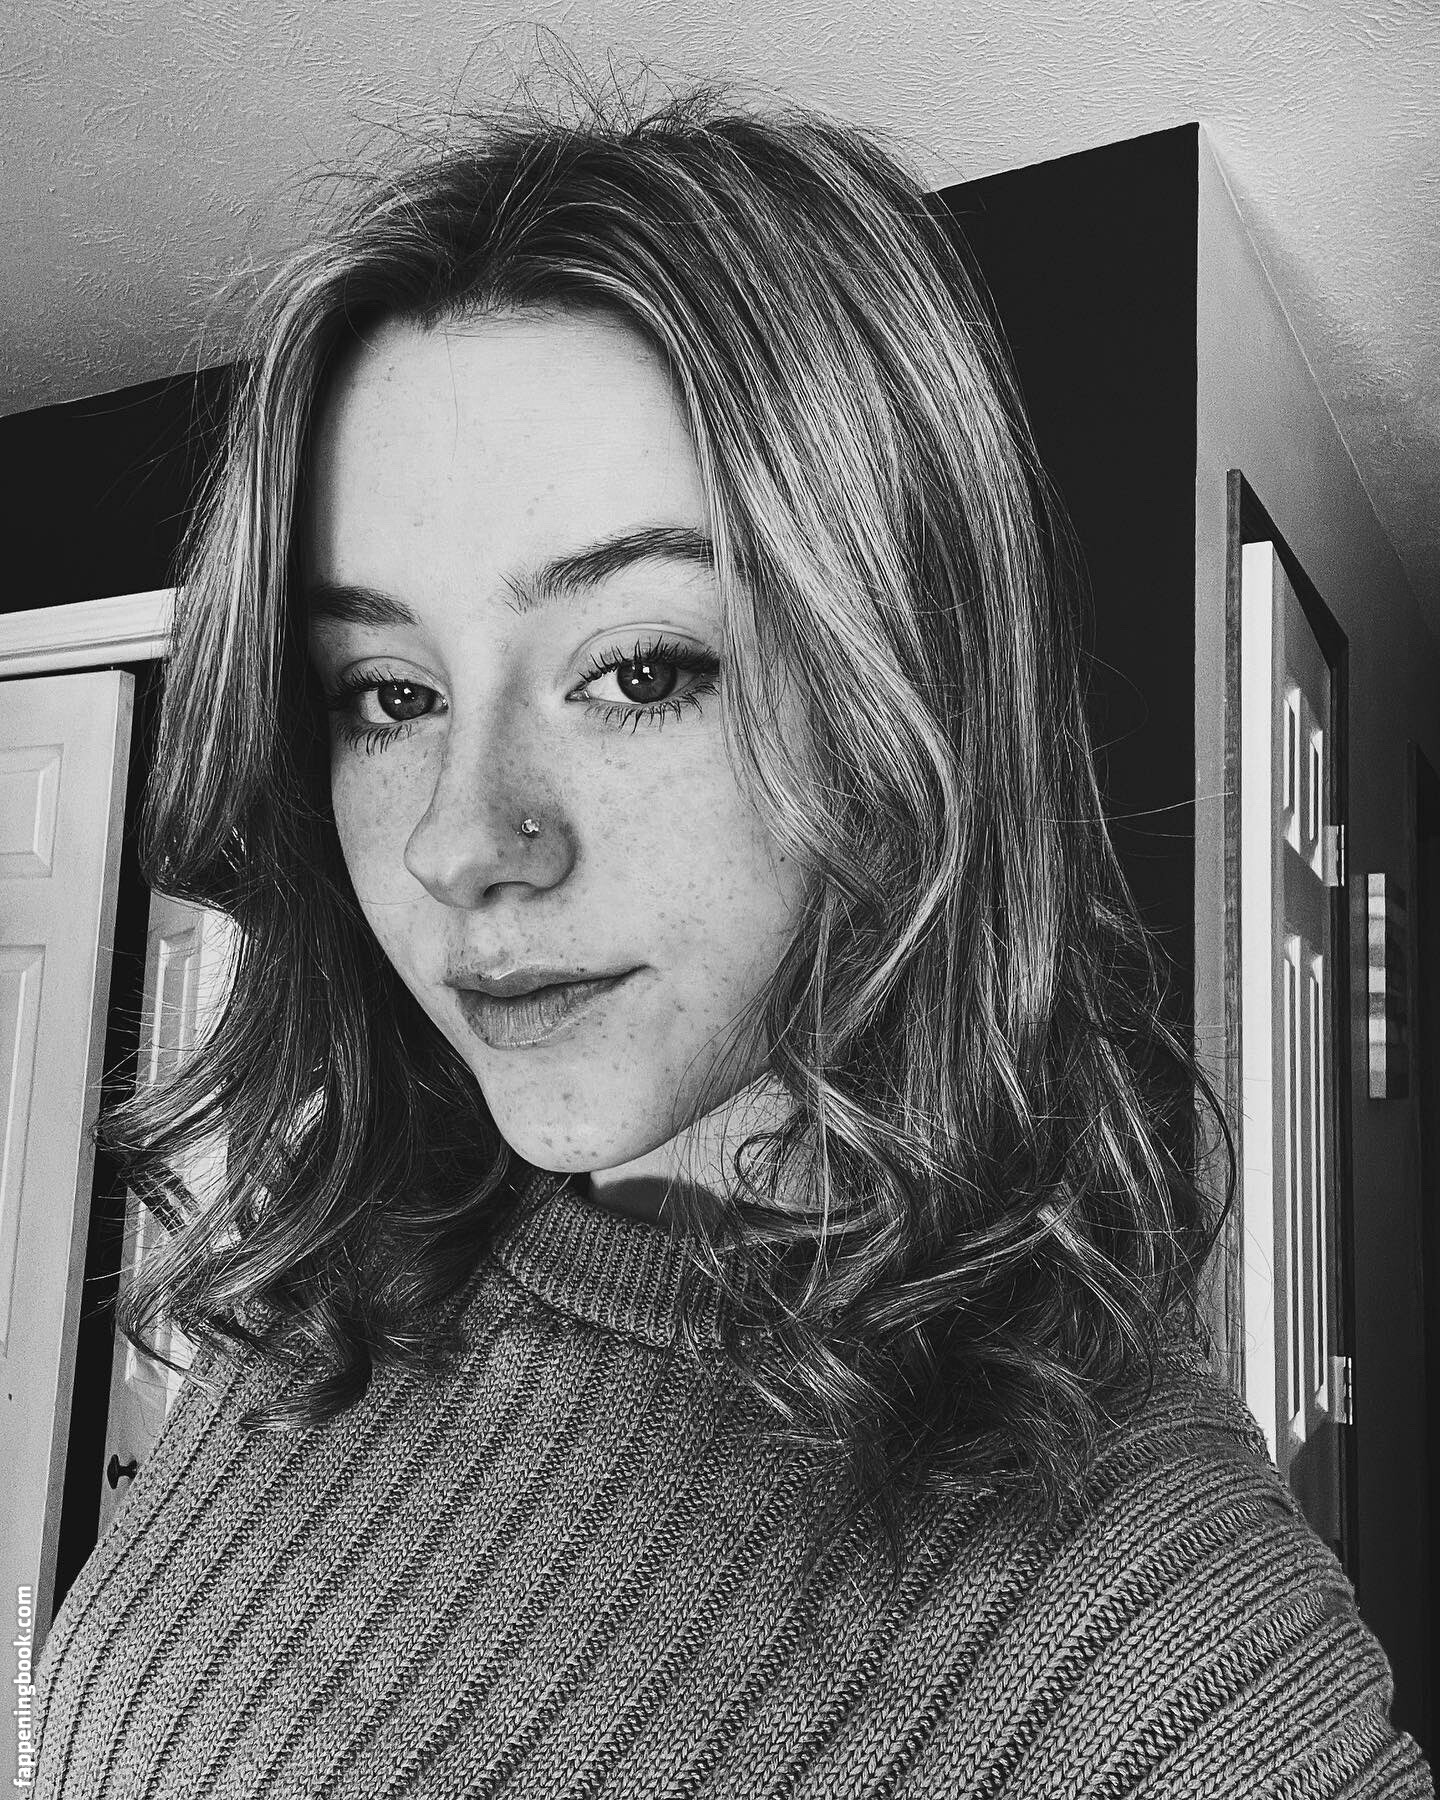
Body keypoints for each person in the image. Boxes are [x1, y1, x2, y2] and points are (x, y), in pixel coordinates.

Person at [30, 69, 1434, 1800]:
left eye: (641, 670)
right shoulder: (335, 1274)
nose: (464, 840)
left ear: (905, 689)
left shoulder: (1158, 1633)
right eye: (388, 692)